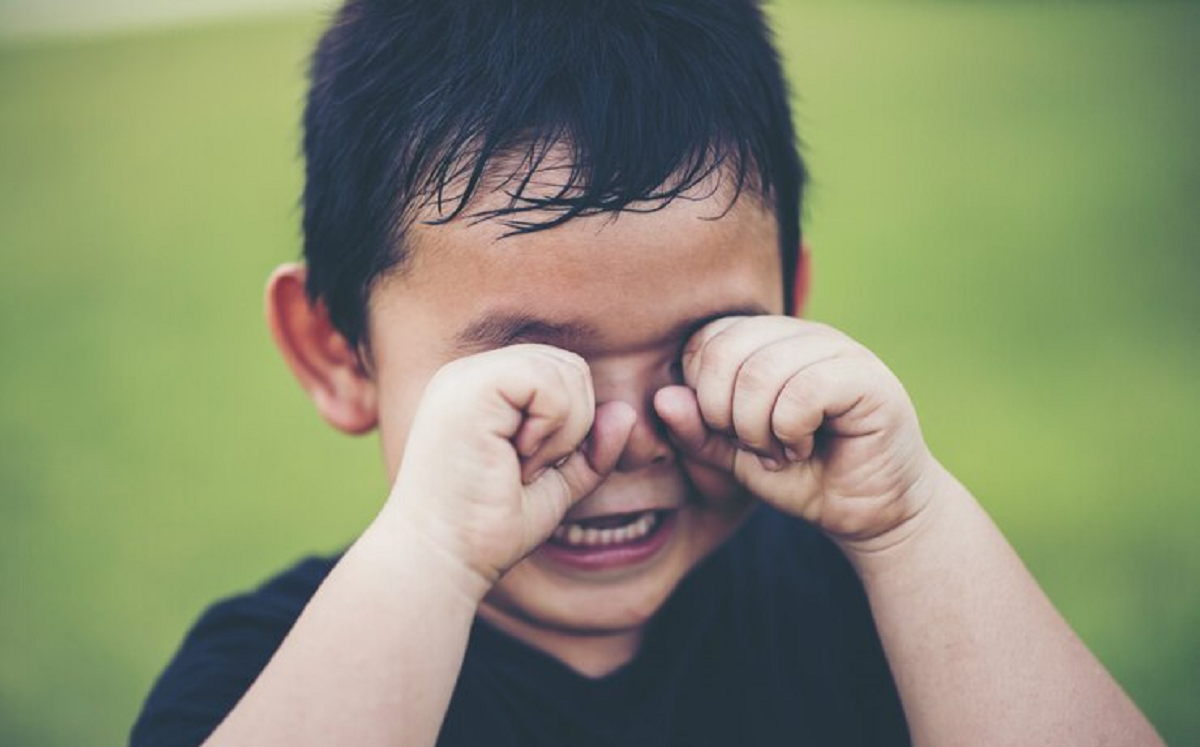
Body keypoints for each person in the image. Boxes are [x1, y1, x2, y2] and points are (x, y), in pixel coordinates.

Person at [131, 1, 1164, 745]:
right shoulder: (264, 673)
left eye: (700, 348)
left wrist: (912, 523)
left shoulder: (878, 608)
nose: (623, 436)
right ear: (335, 351)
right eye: (534, 369)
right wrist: (434, 556)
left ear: (791, 309)